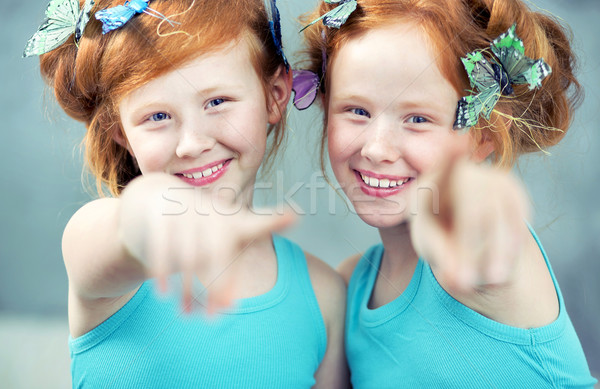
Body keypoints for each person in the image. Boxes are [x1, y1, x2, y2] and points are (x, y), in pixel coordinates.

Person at [27, 0, 348, 387]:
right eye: (157, 116)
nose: (191, 144)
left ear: (276, 94)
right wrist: (157, 212)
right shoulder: (94, 249)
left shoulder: (324, 296)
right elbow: (130, 227)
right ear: (120, 132)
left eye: (217, 102)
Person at [296, 0, 597, 387]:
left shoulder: (481, 254)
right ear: (324, 106)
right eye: (356, 110)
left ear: (483, 135)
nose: (376, 148)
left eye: (418, 119)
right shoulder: (354, 285)